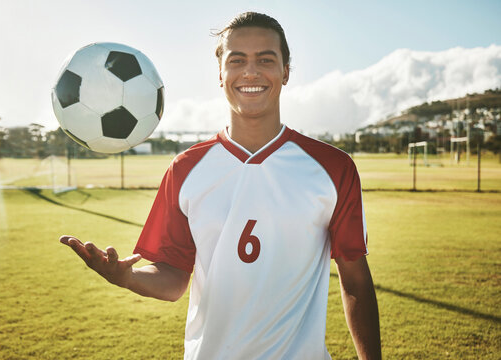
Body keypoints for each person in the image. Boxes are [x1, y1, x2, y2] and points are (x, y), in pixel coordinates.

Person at [60, 11, 381, 360]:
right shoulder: (185, 169)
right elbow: (173, 278)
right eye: (237, 60)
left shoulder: (333, 168)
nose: (251, 72)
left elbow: (355, 280)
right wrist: (129, 277)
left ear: (286, 71)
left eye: (266, 59)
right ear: (220, 73)